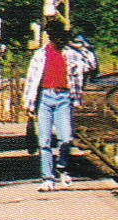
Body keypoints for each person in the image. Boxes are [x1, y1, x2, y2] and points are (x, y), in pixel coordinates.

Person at [22, 20, 92, 191]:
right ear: (51, 37)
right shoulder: (40, 55)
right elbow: (31, 81)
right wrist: (28, 105)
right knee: (44, 141)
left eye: (63, 37)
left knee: (66, 138)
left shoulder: (72, 54)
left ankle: (61, 165)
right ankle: (48, 178)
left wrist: (84, 47)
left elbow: (90, 66)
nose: (61, 40)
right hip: (44, 98)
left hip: (64, 98)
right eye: (57, 37)